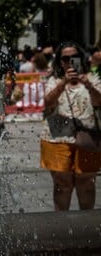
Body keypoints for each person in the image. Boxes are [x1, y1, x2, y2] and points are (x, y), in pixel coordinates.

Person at [40, 42, 101, 211]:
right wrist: (64, 82)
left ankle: (87, 229)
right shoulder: (54, 80)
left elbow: (99, 102)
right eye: (65, 58)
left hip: (88, 138)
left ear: (81, 59)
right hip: (56, 138)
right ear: (60, 61)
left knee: (87, 184)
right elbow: (47, 102)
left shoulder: (92, 78)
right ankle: (61, 226)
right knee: (62, 185)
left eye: (74, 57)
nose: (69, 61)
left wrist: (88, 85)